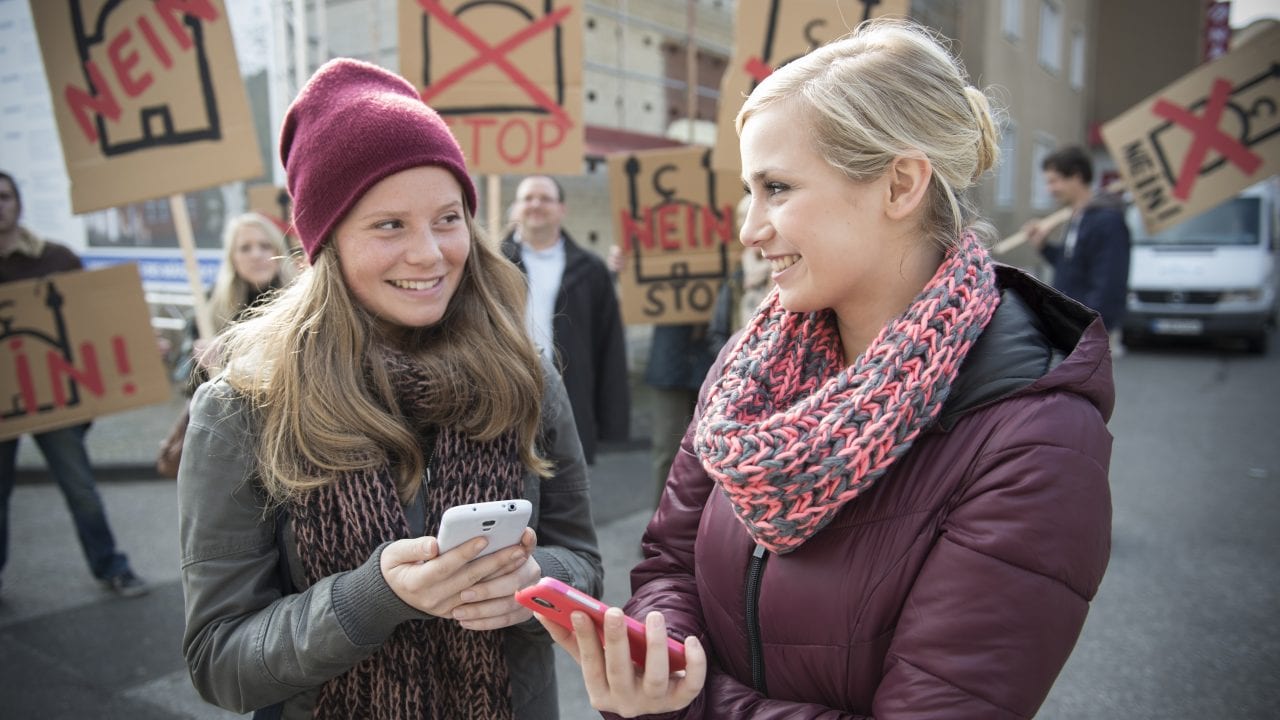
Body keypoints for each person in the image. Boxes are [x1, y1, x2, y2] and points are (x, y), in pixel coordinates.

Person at [542, 19, 1113, 718]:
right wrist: (658, 657)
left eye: (777, 188)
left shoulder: (1035, 438)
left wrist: (684, 706)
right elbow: (668, 561)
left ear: (900, 185)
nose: (749, 228)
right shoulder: (749, 366)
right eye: (750, 190)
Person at [177, 59, 602, 720]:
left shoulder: (526, 376)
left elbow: (584, 565)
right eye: (389, 225)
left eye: (448, 218)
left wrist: (535, 581)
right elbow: (221, 662)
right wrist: (372, 598)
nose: (430, 254)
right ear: (328, 244)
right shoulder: (243, 408)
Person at [0, 170, 149, 599]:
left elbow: (90, 327)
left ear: (19, 203)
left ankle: (110, 567)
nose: (0, 205)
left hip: (52, 401)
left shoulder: (57, 258)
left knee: (80, 488)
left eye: (5, 195)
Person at [501, 176, 630, 465]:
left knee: (567, 494)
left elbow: (609, 345)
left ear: (562, 209)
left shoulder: (590, 268)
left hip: (570, 395)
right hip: (508, 394)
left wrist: (612, 421)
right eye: (527, 198)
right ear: (516, 208)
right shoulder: (494, 264)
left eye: (545, 198)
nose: (535, 204)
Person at [606, 246, 720, 504]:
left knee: (718, 450)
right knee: (667, 451)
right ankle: (662, 531)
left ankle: (708, 529)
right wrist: (623, 268)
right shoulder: (660, 244)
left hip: (717, 358)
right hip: (670, 361)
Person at [1024, 145, 1131, 354]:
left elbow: (1109, 284)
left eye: (1054, 181)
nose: (1050, 189)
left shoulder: (1107, 221)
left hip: (1088, 333)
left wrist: (1087, 329)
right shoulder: (1078, 216)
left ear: (1076, 176)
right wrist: (1044, 246)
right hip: (1070, 327)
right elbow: (1071, 266)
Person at [174, 211, 297, 394]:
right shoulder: (208, 311)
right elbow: (188, 387)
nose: (256, 255)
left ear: (279, 252)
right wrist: (200, 365)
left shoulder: (301, 303)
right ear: (233, 257)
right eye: (245, 248)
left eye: (265, 246)